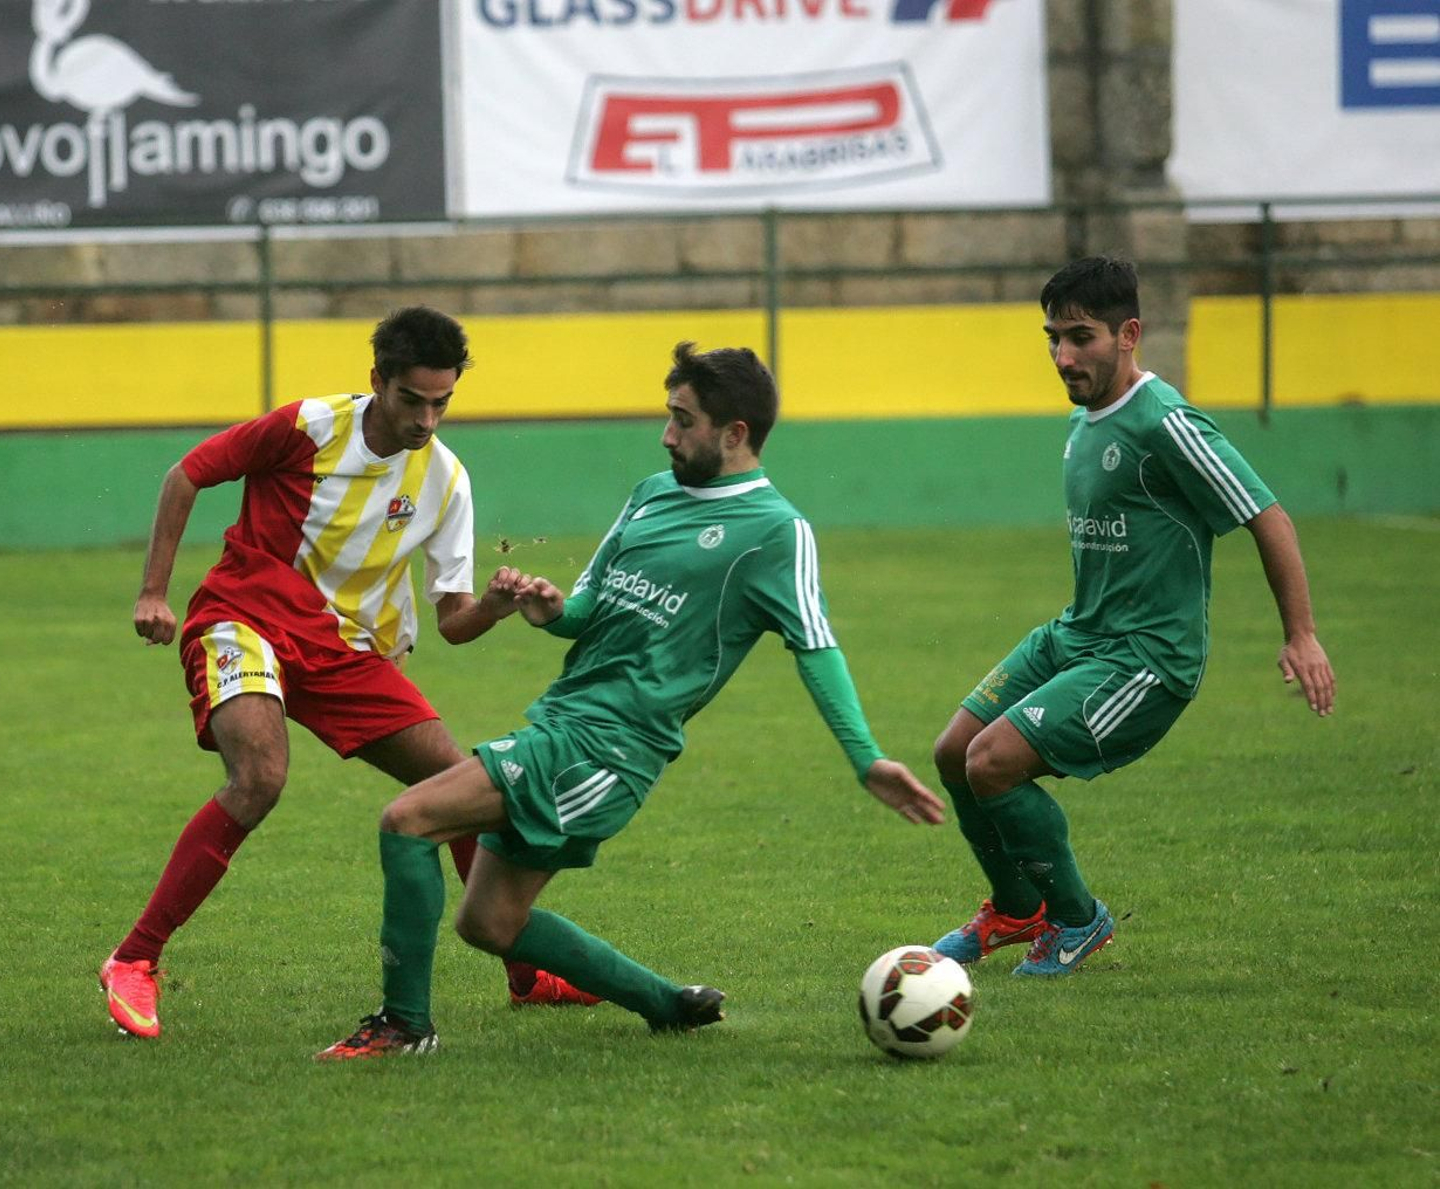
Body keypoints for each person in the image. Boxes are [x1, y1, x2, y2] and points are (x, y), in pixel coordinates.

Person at [314, 340, 947, 1059]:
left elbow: (816, 644)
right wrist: (552, 608)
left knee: (407, 819)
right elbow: (587, 611)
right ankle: (666, 1004)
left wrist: (866, 757)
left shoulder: (775, 531)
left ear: (735, 433)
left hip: (612, 747)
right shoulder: (651, 494)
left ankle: (403, 1025)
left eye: (683, 420)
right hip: (565, 717)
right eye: (669, 416)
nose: (667, 434)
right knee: (488, 922)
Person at [99, 306, 595, 1040]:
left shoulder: (446, 479)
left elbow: (454, 619)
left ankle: (524, 971)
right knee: (260, 777)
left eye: (442, 402)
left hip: (341, 651)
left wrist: (491, 605)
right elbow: (186, 475)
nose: (427, 419)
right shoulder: (310, 426)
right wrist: (151, 592)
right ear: (377, 382)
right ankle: (134, 959)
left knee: (462, 783)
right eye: (412, 400)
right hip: (245, 615)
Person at [930, 255, 1337, 976]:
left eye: (1080, 337)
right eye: (1053, 337)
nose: (1063, 355)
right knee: (953, 751)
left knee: (991, 763)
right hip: (1075, 635)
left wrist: (1300, 634)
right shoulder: (1085, 420)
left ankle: (1079, 919)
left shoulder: (1165, 422)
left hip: (1146, 659)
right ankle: (1018, 909)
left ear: (1129, 334)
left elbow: (1267, 516)